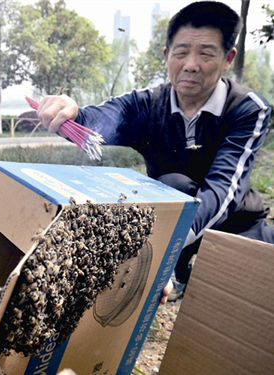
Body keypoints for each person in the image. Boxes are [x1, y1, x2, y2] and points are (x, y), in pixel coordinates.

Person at [36, 1, 274, 303]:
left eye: (206, 53)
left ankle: (178, 263)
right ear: (166, 56)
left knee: (260, 280)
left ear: (228, 59)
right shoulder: (147, 103)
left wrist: (164, 248)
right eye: (181, 51)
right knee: (173, 185)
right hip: (170, 213)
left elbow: (224, 190)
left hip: (233, 220)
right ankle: (178, 270)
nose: (190, 64)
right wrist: (72, 114)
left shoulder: (248, 108)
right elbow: (105, 119)